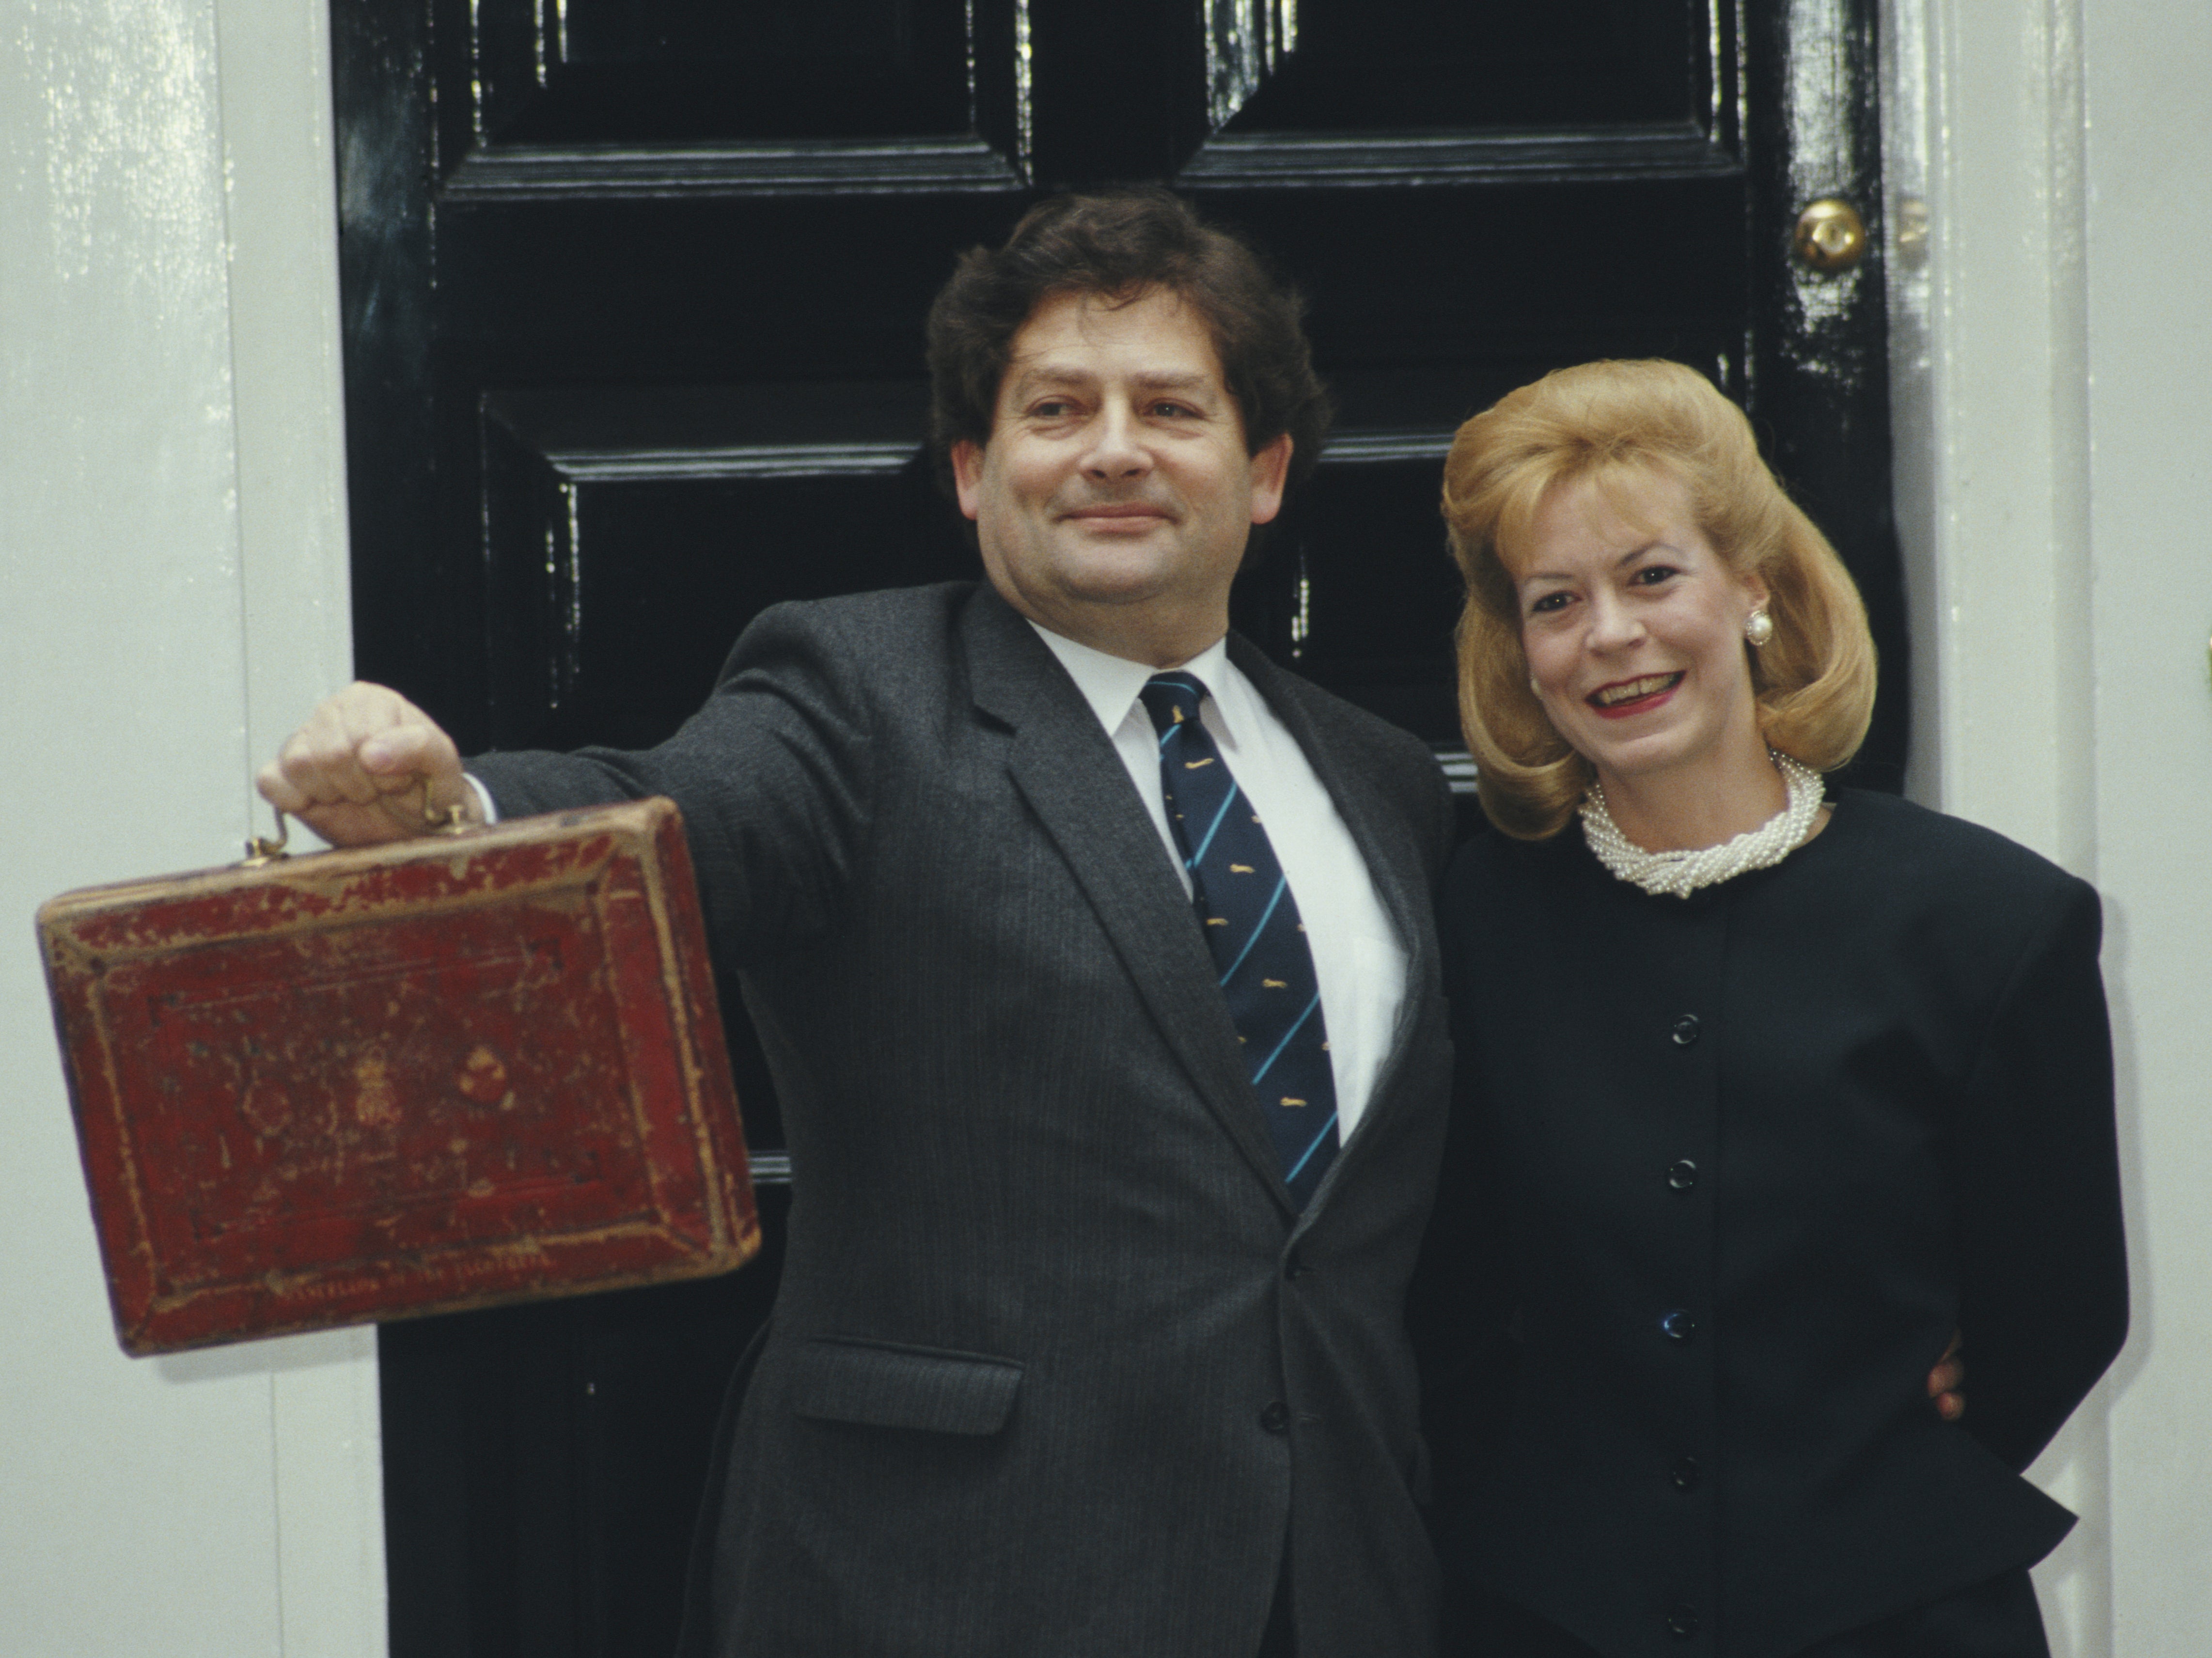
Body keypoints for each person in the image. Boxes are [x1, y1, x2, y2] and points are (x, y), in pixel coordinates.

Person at [260, 189, 1455, 1658]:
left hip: (1329, 1591)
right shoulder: (857, 695)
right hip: (944, 1584)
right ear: (972, 470)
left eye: (1172, 407)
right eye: (1056, 408)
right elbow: (673, 820)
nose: (1115, 449)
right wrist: (454, 816)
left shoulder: (1389, 785)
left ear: (1264, 471)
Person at [1415, 359, 2127, 1658]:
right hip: (1545, 1619)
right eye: (1556, 601)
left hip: (1896, 1618)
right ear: (1520, 650)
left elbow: (2064, 1304)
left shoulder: (1992, 923)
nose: (1611, 637)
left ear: (1752, 586)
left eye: (1651, 577)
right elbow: (1443, 1298)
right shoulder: (1466, 923)